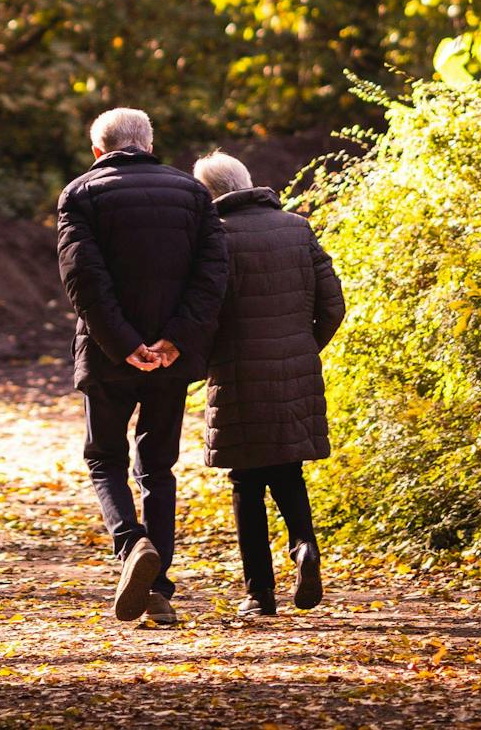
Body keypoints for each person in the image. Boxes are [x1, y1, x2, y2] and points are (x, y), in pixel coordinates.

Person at [57, 107, 229, 626]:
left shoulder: (80, 194)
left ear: (97, 151)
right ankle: (158, 588)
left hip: (108, 355)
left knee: (104, 459)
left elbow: (83, 279)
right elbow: (213, 273)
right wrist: (174, 340)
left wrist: (125, 343)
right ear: (150, 144)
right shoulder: (193, 194)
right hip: (171, 360)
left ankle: (132, 546)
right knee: (156, 467)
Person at [191, 150, 346, 621]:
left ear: (209, 193)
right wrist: (302, 348)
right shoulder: (297, 228)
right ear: (247, 181)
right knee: (287, 469)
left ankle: (260, 595)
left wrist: (203, 362)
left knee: (246, 481)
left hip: (237, 372)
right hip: (294, 368)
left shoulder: (214, 237)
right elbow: (333, 304)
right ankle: (303, 545)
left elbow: (204, 312)